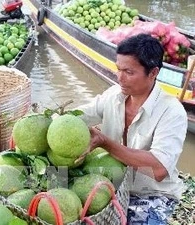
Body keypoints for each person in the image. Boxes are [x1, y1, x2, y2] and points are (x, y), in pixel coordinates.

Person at [76, 33, 187, 224]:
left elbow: (158, 168)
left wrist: (104, 142)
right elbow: (79, 114)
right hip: (113, 185)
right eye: (118, 69)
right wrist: (50, 118)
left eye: (129, 72)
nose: (119, 78)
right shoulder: (114, 95)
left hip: (151, 194)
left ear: (153, 73)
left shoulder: (172, 112)